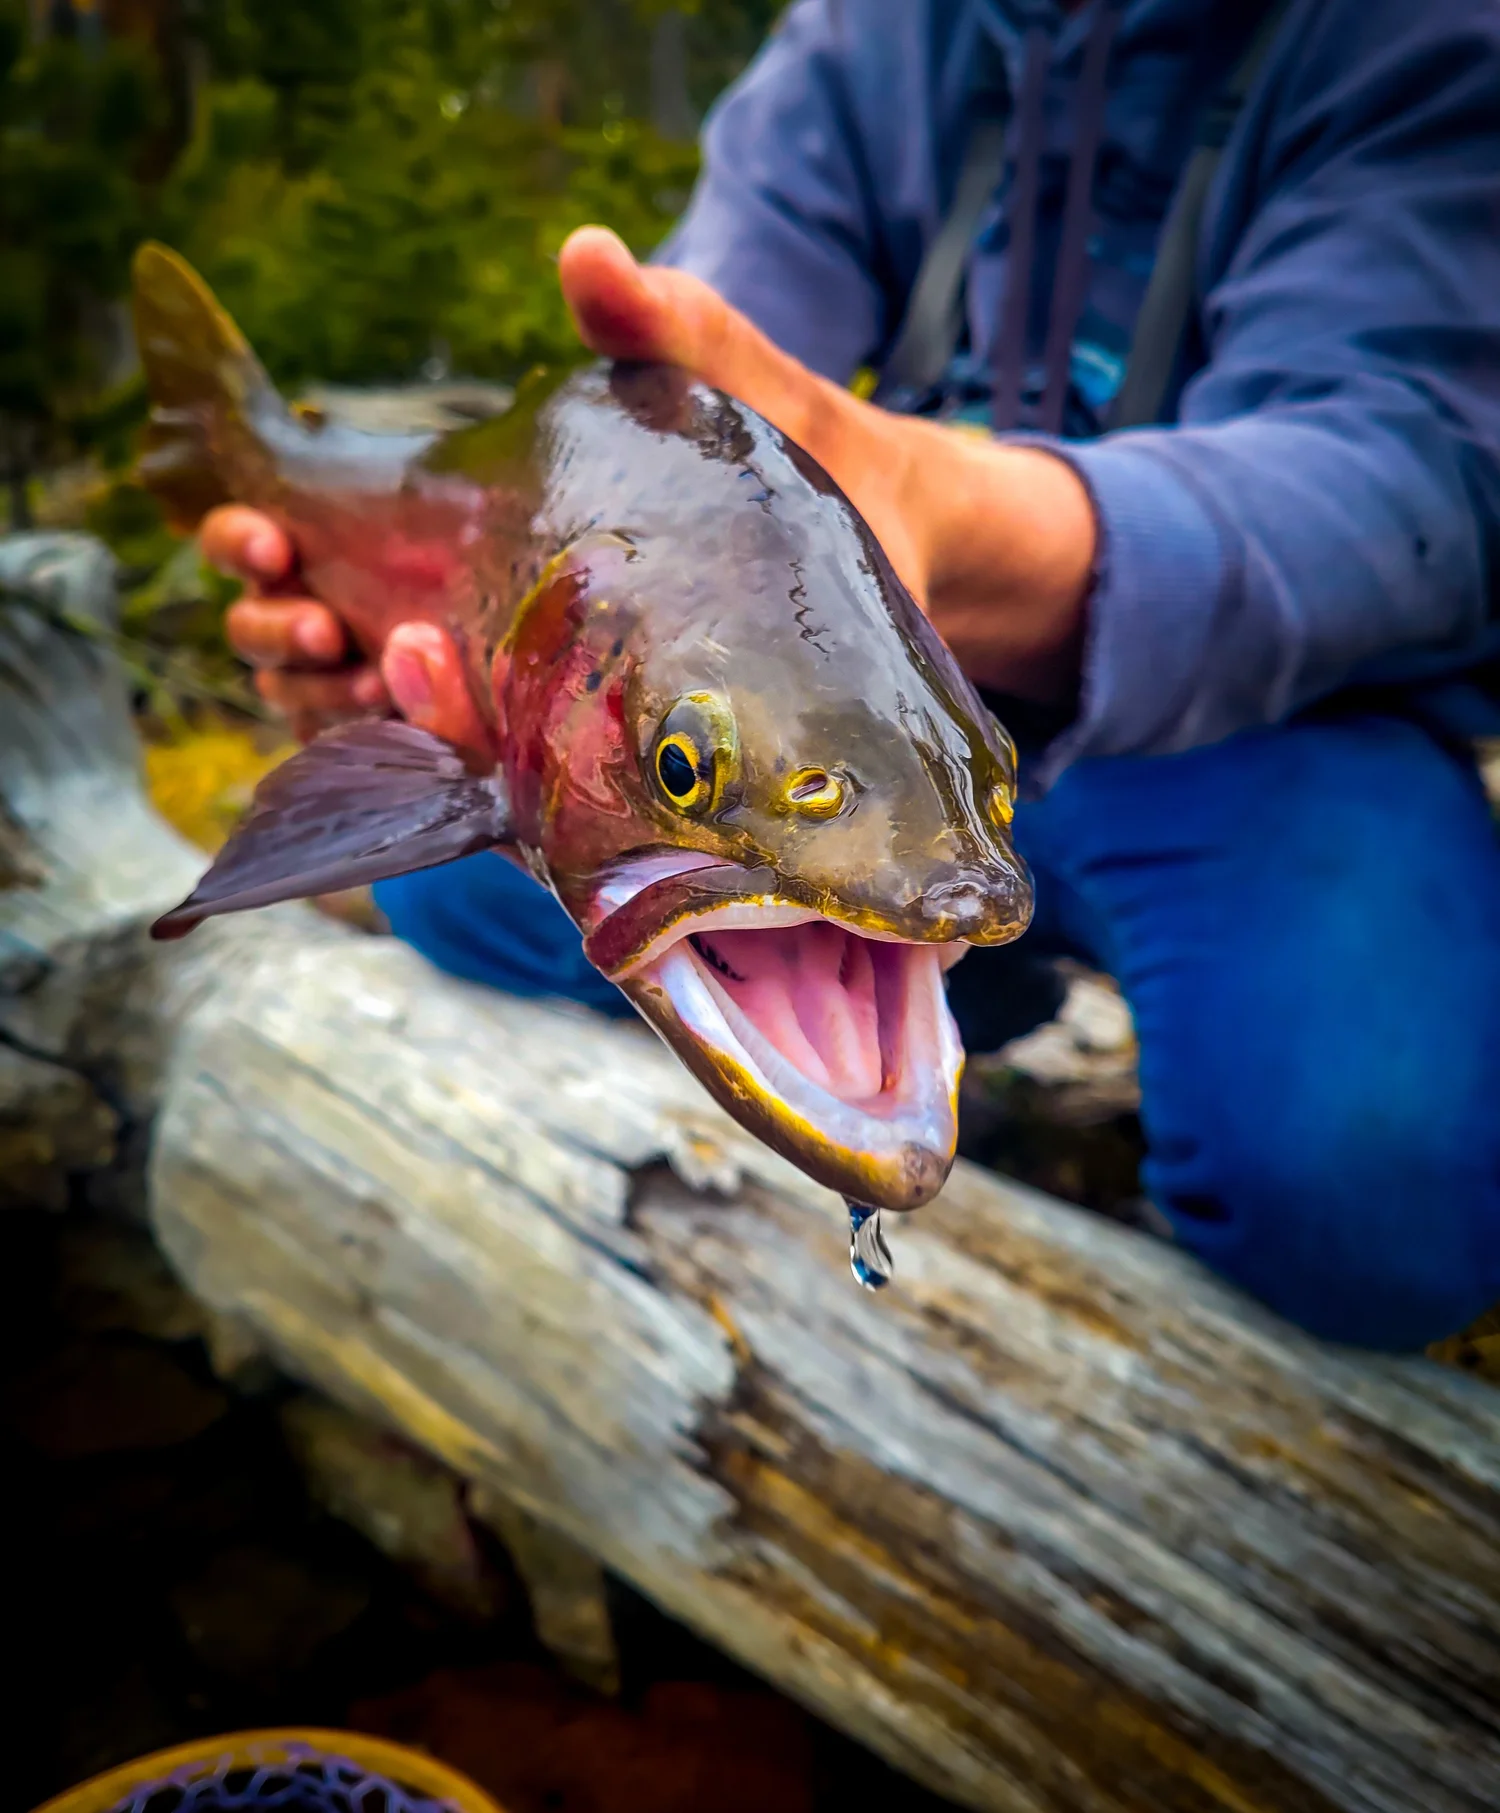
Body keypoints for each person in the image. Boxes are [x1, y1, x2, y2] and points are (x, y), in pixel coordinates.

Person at [198, 0, 1500, 1350]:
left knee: (1378, 1198)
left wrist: (958, 522)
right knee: (455, 889)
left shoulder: (1426, 40)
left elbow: (1420, 473)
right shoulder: (878, 32)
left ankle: (944, 962)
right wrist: (463, 660)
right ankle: (958, 994)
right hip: (868, 711)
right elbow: (705, 381)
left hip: (1274, 734)